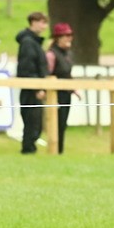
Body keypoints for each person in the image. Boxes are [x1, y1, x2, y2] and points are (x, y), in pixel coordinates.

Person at [15, 11, 49, 154]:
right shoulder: (29, 43)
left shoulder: (33, 42)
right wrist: (38, 88)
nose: (44, 26)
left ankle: (30, 149)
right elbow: (28, 68)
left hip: (35, 87)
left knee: (36, 122)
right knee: (32, 123)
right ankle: (28, 150)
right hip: (31, 89)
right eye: (42, 22)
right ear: (33, 22)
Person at [45, 22, 76, 154]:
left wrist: (73, 88)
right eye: (67, 35)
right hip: (55, 94)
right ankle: (54, 150)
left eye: (71, 35)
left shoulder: (68, 54)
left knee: (62, 124)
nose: (70, 38)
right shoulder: (52, 55)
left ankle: (60, 151)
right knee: (56, 123)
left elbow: (67, 74)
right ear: (58, 38)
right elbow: (47, 74)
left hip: (66, 93)